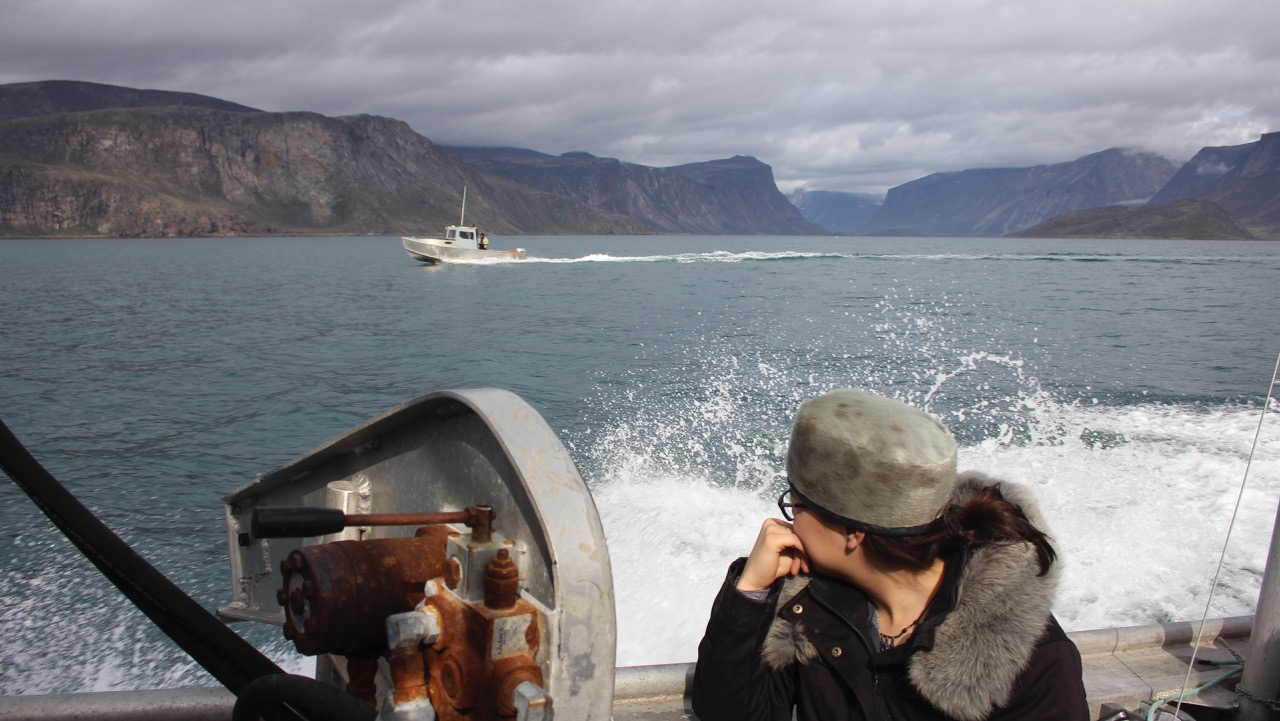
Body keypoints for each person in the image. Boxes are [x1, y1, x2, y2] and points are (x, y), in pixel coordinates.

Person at [692, 389, 1089, 721]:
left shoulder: (1033, 661)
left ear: (852, 533)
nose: (786, 524)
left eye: (795, 506)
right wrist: (750, 592)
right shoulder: (806, 605)